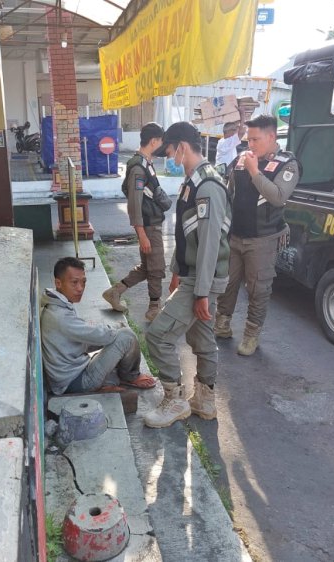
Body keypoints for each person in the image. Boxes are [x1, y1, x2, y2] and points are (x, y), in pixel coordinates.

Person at [143, 122, 231, 428]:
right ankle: (204, 401)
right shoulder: (191, 183)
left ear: (182, 146)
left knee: (157, 335)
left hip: (203, 278)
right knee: (201, 337)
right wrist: (177, 272)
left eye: (169, 149)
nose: (168, 155)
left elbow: (209, 244)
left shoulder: (207, 186)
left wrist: (202, 291)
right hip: (194, 275)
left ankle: (176, 399)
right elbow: (186, 236)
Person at [213, 114, 301, 355]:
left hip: (263, 239)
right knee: (227, 283)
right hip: (235, 235)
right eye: (248, 139)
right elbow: (227, 190)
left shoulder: (287, 164)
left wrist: (254, 172)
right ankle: (222, 324)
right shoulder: (242, 159)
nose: (250, 144)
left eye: (255, 139)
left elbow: (278, 196)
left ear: (271, 136)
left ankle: (251, 335)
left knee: (258, 288)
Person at [41, 257, 156, 395]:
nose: (80, 288)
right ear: (58, 283)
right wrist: (116, 329)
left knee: (114, 347)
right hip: (76, 382)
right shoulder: (60, 316)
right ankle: (132, 376)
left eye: (83, 282)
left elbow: (85, 339)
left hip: (71, 375)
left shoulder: (56, 303)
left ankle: (108, 383)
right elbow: (105, 336)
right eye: (74, 283)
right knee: (127, 336)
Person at [103, 122, 172, 322]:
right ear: (154, 141)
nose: (162, 145)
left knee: (148, 267)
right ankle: (153, 309)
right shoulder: (139, 169)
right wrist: (142, 234)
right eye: (161, 141)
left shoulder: (145, 163)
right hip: (149, 226)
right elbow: (134, 204)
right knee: (156, 268)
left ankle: (115, 292)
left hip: (151, 224)